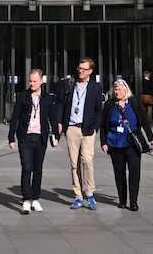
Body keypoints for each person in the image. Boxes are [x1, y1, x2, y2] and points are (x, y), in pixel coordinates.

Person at [7, 69, 60, 215]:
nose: (32, 83)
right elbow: (15, 118)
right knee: (26, 168)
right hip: (25, 138)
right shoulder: (22, 96)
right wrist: (11, 137)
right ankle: (25, 199)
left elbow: (53, 118)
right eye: (30, 80)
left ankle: (35, 199)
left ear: (42, 81)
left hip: (40, 138)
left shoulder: (48, 98)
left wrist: (56, 135)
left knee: (38, 169)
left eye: (34, 81)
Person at [99, 78, 153, 212]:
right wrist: (104, 142)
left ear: (126, 90)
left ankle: (133, 201)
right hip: (114, 143)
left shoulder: (134, 103)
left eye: (119, 89)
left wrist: (151, 138)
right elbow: (102, 126)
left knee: (134, 172)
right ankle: (122, 200)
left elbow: (144, 121)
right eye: (115, 89)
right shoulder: (109, 104)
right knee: (119, 173)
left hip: (132, 143)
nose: (117, 92)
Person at [58, 57, 104, 210]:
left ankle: (89, 193)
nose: (80, 71)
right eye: (79, 68)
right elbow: (62, 105)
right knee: (74, 163)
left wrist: (95, 127)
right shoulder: (70, 85)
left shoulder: (96, 87)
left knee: (87, 160)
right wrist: (61, 124)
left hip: (88, 129)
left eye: (83, 69)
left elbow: (99, 110)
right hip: (72, 128)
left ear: (90, 71)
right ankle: (78, 195)